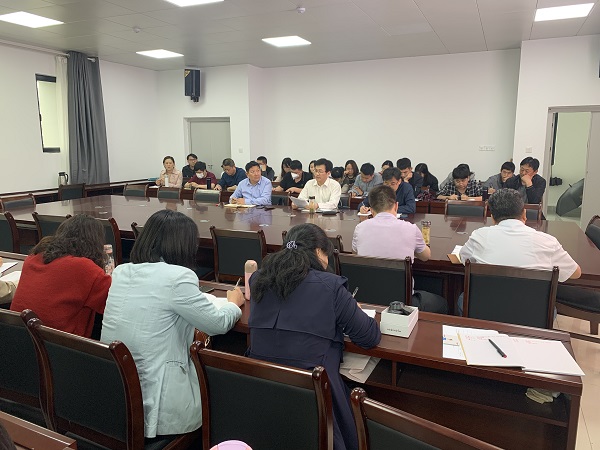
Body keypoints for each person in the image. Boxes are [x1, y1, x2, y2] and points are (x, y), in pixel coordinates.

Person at [101, 210, 244, 438]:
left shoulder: (121, 272)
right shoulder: (178, 277)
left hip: (115, 394)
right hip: (158, 403)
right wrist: (234, 304)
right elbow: (217, 323)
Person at [248, 223, 381, 450]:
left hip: (260, 393)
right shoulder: (331, 286)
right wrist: (351, 307)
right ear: (319, 252)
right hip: (317, 395)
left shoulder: (258, 279)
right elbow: (369, 336)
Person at [458, 189, 580, 314]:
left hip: (483, 311)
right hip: (533, 315)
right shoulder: (548, 242)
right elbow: (575, 273)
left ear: (492, 218)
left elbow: (464, 258)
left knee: (463, 298)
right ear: (524, 214)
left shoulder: (480, 236)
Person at [10, 215, 111, 338]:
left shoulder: (32, 258)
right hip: (59, 345)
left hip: (17, 339)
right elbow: (114, 303)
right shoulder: (85, 268)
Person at [353, 185, 448, 314]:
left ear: (371, 209)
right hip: (401, 302)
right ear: (396, 206)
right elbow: (426, 256)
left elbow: (356, 255)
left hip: (368, 298)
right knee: (442, 303)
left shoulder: (360, 228)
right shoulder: (410, 228)